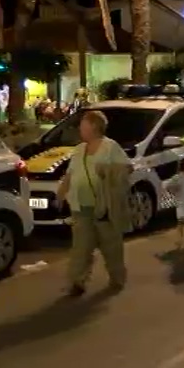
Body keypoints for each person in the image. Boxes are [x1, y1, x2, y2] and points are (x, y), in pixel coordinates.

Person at [56, 110, 131, 297]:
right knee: (81, 247)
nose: (80, 128)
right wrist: (61, 193)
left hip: (103, 205)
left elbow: (128, 168)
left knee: (111, 245)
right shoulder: (79, 149)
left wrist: (108, 170)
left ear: (94, 126)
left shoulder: (110, 147)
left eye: (83, 124)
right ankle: (77, 281)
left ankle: (117, 277)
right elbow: (70, 174)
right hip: (81, 206)